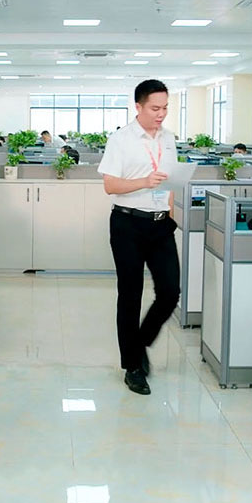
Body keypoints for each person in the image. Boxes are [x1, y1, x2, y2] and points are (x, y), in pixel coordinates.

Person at [98, 79, 180, 396]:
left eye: (165, 108)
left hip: (160, 224)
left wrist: (170, 211)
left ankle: (140, 341)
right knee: (130, 295)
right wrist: (144, 181)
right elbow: (110, 185)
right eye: (155, 108)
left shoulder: (169, 139)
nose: (161, 114)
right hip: (128, 224)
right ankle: (132, 367)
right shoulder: (121, 139)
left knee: (170, 292)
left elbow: (170, 180)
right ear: (138, 106)